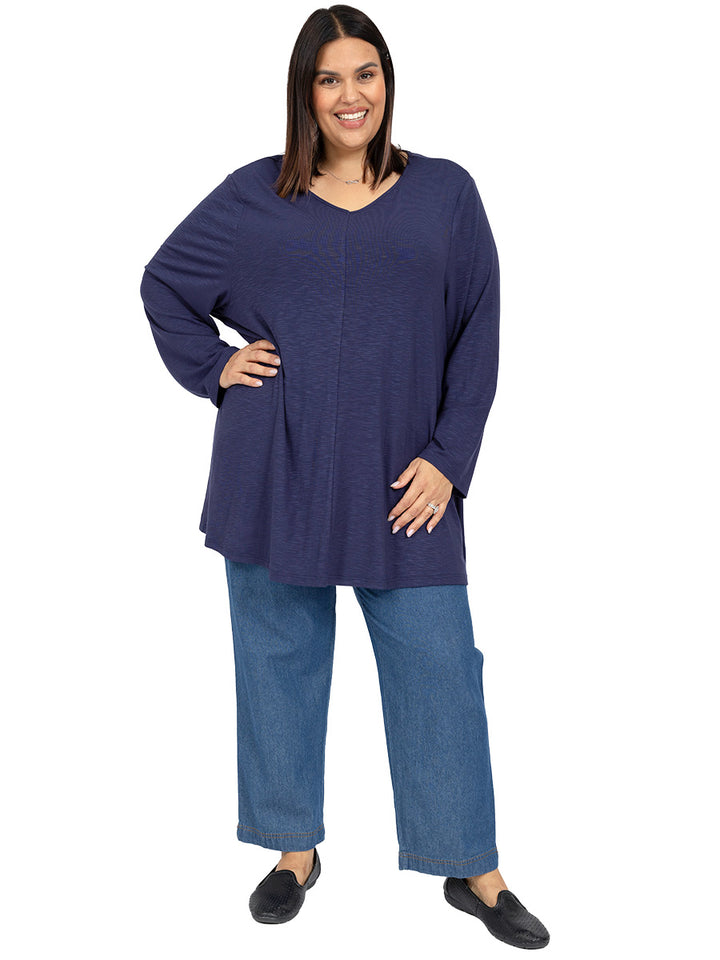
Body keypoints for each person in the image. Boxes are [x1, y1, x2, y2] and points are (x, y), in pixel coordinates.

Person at [139, 4, 549, 949]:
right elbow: (163, 285)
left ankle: (473, 868)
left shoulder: (445, 194)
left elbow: (478, 330)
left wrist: (450, 459)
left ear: (387, 84)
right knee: (278, 662)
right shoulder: (254, 197)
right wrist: (215, 367)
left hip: (408, 482)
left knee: (440, 667)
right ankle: (294, 850)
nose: (350, 95)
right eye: (329, 78)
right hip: (276, 469)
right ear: (305, 93)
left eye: (365, 74)